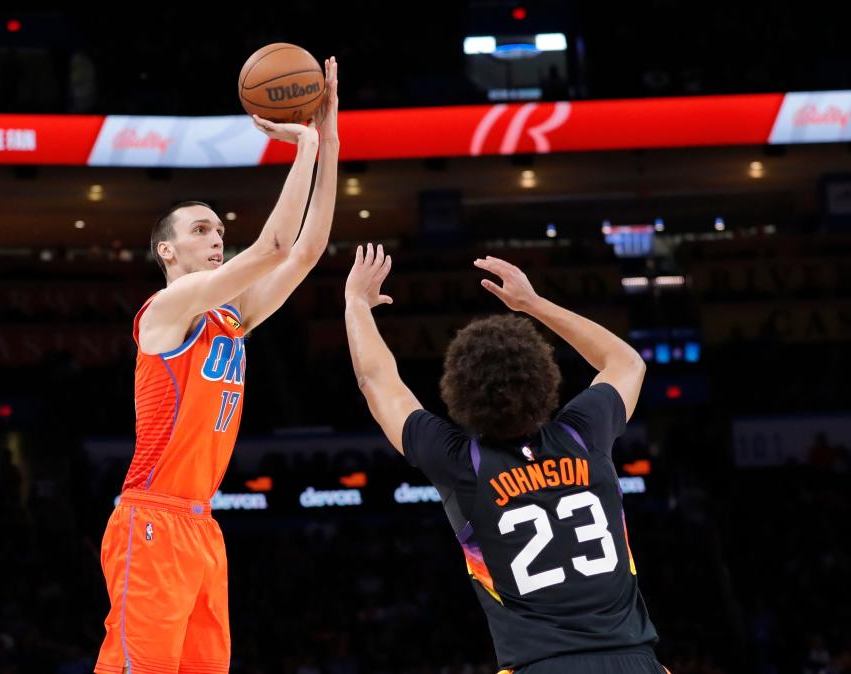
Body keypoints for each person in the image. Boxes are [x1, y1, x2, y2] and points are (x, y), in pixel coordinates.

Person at [95, 58, 339, 674]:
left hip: (204, 526)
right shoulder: (166, 310)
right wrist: (303, 146)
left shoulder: (232, 318)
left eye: (221, 231)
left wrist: (329, 137)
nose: (216, 238)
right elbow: (275, 246)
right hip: (150, 519)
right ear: (167, 250)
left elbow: (305, 251)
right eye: (202, 229)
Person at [343, 246, 667, 674]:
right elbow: (625, 361)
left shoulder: (463, 463)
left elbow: (377, 381)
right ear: (544, 377)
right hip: (635, 661)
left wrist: (356, 304)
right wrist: (532, 303)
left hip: (540, 665)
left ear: (459, 393)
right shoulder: (583, 432)